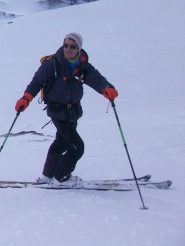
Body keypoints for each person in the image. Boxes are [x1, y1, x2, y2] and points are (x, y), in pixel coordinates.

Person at [15, 33, 119, 185]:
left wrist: (107, 89)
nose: (68, 49)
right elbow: (37, 82)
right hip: (57, 110)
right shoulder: (53, 64)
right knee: (77, 147)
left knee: (61, 142)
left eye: (72, 46)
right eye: (66, 45)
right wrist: (26, 98)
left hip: (73, 112)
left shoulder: (83, 66)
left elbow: (96, 79)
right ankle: (61, 176)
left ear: (79, 48)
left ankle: (47, 176)